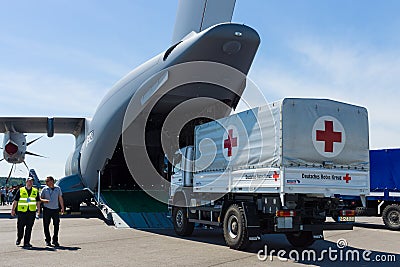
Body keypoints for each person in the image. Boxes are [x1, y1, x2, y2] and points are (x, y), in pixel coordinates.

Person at [11, 177, 41, 248]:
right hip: (22, 212)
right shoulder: (21, 190)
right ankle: (19, 238)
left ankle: (27, 242)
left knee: (29, 227)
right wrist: (13, 210)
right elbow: (15, 201)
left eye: (31, 181)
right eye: (29, 181)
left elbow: (38, 202)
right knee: (20, 227)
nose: (30, 183)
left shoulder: (35, 190)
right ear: (26, 182)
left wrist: (39, 210)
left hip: (31, 212)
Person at [40, 176, 64, 247]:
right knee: (46, 225)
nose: (46, 183)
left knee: (56, 225)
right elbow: (40, 198)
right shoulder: (44, 189)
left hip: (55, 209)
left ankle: (55, 240)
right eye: (46, 181)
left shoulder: (58, 188)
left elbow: (60, 198)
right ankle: (48, 240)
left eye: (47, 181)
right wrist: (44, 201)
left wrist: (62, 207)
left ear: (52, 181)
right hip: (47, 209)